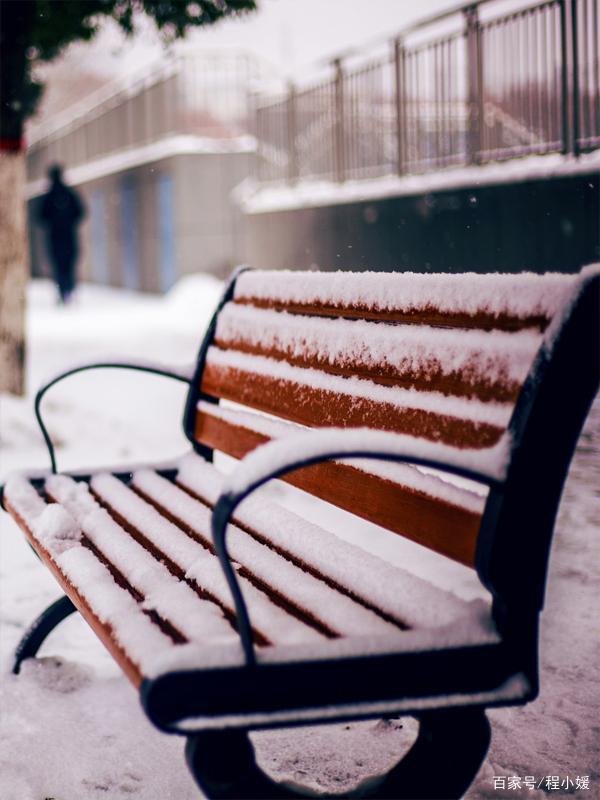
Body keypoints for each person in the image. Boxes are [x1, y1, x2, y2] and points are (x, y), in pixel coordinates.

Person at [38, 164, 85, 304]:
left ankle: (63, 291)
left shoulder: (49, 196)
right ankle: (68, 290)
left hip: (55, 237)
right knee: (69, 265)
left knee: (59, 266)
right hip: (69, 236)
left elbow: (41, 216)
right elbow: (80, 212)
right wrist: (68, 222)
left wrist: (54, 222)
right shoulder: (69, 194)